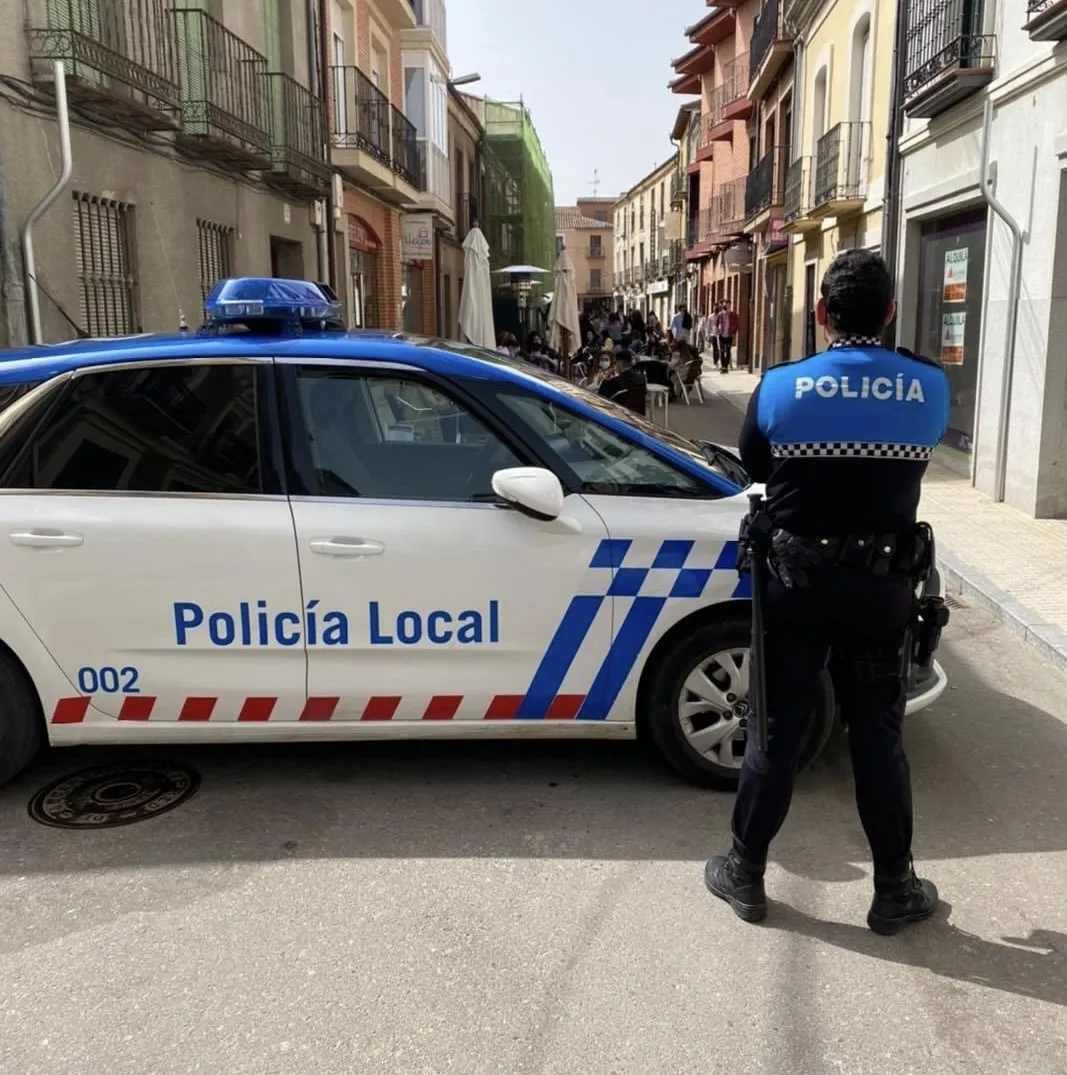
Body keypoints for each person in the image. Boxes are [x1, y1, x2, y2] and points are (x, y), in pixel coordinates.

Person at [704, 249, 951, 936]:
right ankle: (894, 887)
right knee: (877, 734)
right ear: (891, 312)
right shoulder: (928, 386)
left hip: (795, 586)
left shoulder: (782, 386)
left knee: (777, 727)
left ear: (820, 313)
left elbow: (754, 462)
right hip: (881, 590)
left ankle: (745, 872)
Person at [597, 348, 646, 413]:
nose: (615, 365)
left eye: (615, 362)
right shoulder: (641, 378)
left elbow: (600, 397)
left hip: (617, 413)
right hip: (636, 415)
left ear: (620, 363)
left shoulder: (616, 382)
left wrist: (606, 378)